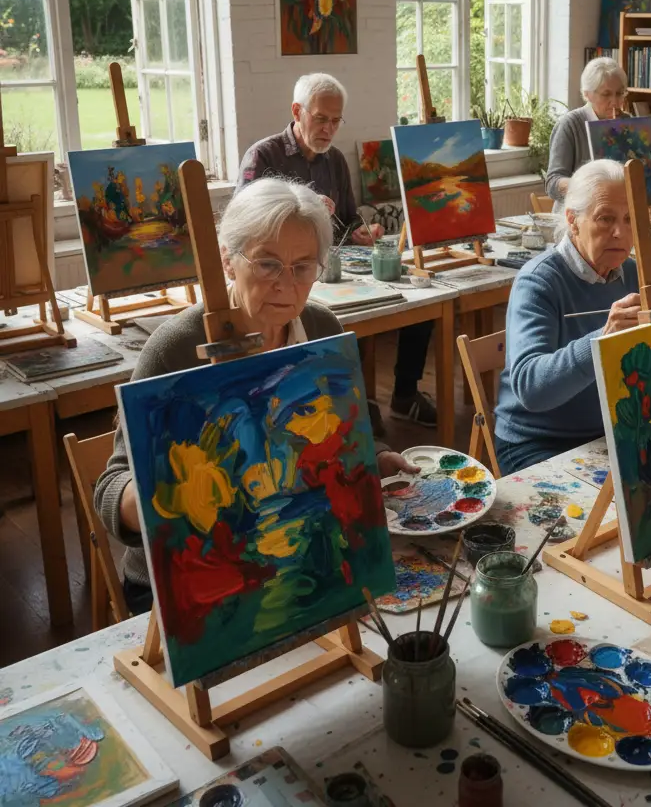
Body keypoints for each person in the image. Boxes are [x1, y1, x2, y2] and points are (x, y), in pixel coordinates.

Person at [95, 178, 415, 615]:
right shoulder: (177, 346)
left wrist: (371, 458)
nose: (286, 284)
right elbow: (111, 490)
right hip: (188, 581)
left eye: (303, 267)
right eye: (268, 264)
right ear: (228, 261)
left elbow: (341, 436)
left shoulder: (323, 330)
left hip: (298, 554)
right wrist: (168, 495)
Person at [236, 72, 436, 428]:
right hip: (286, 276)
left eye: (336, 121)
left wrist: (360, 230)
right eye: (321, 118)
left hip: (330, 270)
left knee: (418, 303)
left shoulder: (335, 160)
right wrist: (305, 211)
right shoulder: (263, 156)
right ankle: (352, 406)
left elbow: (344, 223)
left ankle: (402, 394)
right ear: (297, 111)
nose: (329, 129)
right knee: (342, 323)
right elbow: (245, 231)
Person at [494, 160, 640, 473]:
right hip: (538, 442)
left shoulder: (631, 273)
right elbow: (531, 389)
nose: (620, 232)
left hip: (610, 433)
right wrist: (602, 338)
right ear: (573, 221)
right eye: (606, 219)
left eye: (629, 219)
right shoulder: (538, 281)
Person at [544, 57, 630, 205]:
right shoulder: (570, 124)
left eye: (620, 93)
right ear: (587, 94)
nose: (615, 102)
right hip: (578, 216)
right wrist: (588, 186)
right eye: (606, 94)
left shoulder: (628, 123)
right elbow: (552, 183)